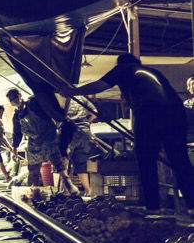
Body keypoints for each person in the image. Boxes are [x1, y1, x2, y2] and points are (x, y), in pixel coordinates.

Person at [60, 53, 194, 215]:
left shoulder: (123, 69)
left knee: (146, 160)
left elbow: (99, 86)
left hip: (149, 113)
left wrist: (73, 91)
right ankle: (192, 205)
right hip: (176, 114)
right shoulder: (151, 72)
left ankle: (153, 207)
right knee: (180, 161)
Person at [7, 88, 79, 194]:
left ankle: (68, 184)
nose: (14, 101)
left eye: (14, 98)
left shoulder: (34, 103)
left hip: (48, 136)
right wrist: (14, 147)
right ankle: (33, 191)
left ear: (20, 95)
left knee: (57, 161)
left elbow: (51, 110)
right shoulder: (17, 115)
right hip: (34, 141)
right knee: (33, 168)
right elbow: (17, 133)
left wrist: (62, 121)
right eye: (11, 100)